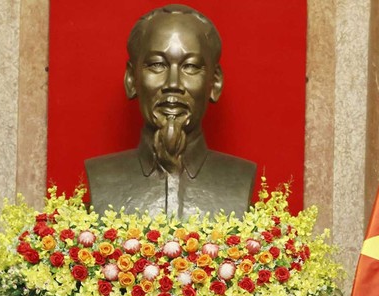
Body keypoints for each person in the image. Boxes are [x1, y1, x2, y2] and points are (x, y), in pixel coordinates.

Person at [85, 4, 256, 219]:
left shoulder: (240, 178)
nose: (173, 84)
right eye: (157, 65)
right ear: (131, 79)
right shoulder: (101, 176)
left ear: (214, 83)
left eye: (191, 66)